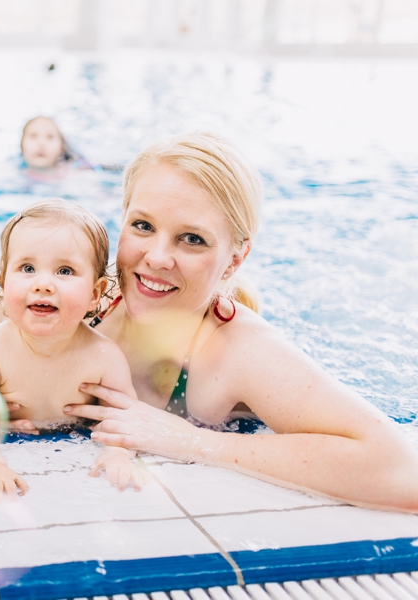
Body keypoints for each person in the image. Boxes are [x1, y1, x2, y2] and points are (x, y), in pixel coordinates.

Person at [57, 133, 418, 512]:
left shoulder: (237, 350)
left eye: (192, 239)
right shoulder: (94, 295)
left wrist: (193, 442)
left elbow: (401, 471)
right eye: (143, 226)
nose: (157, 258)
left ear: (234, 259)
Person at [0, 199, 148, 499]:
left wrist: (117, 453)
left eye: (65, 271)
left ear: (95, 293)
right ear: (3, 282)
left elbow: (125, 418)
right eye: (27, 268)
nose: (43, 284)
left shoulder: (104, 356)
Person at [20, 116, 91, 180]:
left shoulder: (78, 175)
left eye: (50, 137)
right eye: (33, 136)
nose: (41, 143)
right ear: (21, 144)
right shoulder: (16, 175)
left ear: (61, 147)